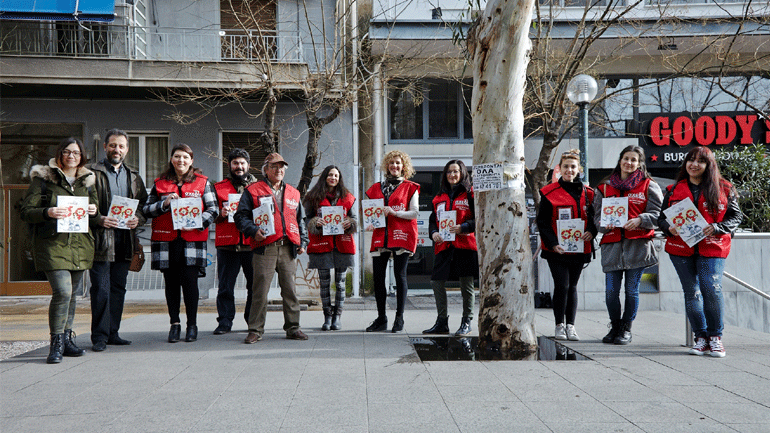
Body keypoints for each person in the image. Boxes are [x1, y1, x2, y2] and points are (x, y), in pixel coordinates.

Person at [19, 138, 98, 364]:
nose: (71, 156)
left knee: (72, 295)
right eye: (67, 152)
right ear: (60, 154)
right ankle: (56, 343)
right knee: (62, 292)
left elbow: (95, 215)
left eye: (76, 153)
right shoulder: (43, 179)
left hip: (80, 245)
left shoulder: (87, 182)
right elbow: (26, 211)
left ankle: (67, 339)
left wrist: (94, 210)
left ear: (82, 156)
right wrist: (48, 212)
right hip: (52, 244)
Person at [658, 146, 742, 358]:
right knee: (692, 292)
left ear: (709, 165)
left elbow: (736, 217)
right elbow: (661, 219)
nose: (694, 165)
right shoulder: (673, 190)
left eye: (700, 161)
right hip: (680, 248)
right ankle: (701, 337)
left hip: (712, 246)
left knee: (711, 289)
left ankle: (715, 337)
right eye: (691, 160)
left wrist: (717, 227)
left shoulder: (725, 188)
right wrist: (669, 228)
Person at [142, 144, 218, 343]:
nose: (181, 160)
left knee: (190, 283)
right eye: (177, 156)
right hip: (166, 240)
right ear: (171, 159)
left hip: (192, 241)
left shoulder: (203, 182)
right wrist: (164, 203)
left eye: (185, 157)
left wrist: (196, 222)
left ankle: (192, 325)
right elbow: (146, 210)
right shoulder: (160, 183)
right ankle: (174, 324)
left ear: (191, 161)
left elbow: (213, 210)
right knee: (171, 284)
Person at [234, 153, 309, 343]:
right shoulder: (253, 190)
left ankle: (293, 327)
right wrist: (253, 230)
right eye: (274, 167)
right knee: (260, 291)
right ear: (265, 170)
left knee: (290, 290)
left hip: (288, 248)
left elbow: (300, 220)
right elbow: (240, 217)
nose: (279, 170)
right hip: (264, 247)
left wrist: (302, 241)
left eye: (281, 167)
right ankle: (255, 329)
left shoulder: (293, 192)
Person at [593, 146, 662, 345]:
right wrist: (604, 224)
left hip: (638, 246)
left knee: (631, 291)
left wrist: (641, 220)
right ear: (620, 160)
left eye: (633, 160)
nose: (629, 163)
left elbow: (659, 215)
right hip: (612, 247)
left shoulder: (649, 185)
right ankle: (615, 326)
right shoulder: (604, 187)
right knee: (611, 292)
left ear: (639, 164)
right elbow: (596, 218)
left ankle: (626, 329)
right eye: (626, 158)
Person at [87, 129, 148, 352]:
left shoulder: (134, 176)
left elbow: (143, 205)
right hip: (100, 242)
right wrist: (98, 219)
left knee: (118, 289)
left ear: (127, 149)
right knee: (100, 290)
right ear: (105, 147)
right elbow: (82, 204)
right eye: (113, 145)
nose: (117, 150)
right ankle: (99, 336)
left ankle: (113, 333)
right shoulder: (91, 173)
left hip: (124, 241)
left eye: (121, 146)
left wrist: (137, 219)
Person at [536, 149, 597, 341]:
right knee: (561, 285)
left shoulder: (589, 193)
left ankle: (571, 325)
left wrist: (592, 231)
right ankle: (559, 325)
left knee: (572, 286)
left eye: (573, 167)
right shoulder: (549, 192)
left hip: (579, 248)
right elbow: (542, 222)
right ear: (559, 169)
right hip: (556, 250)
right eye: (566, 167)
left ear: (579, 169)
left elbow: (595, 218)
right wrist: (553, 243)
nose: (569, 170)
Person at [365, 150, 420, 333]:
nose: (394, 166)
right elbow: (371, 213)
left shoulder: (411, 187)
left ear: (404, 166)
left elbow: (415, 212)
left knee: (400, 276)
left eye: (398, 163)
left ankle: (399, 318)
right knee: (378, 279)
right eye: (391, 163)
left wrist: (395, 213)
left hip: (401, 235)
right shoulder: (376, 188)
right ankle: (381, 318)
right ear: (386, 165)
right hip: (380, 236)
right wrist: (370, 223)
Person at [423, 160, 478, 336]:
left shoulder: (471, 193)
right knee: (436, 281)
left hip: (465, 245)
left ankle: (466, 321)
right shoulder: (439, 197)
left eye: (455, 171)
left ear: (462, 173)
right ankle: (441, 322)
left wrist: (464, 227)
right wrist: (433, 233)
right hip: (444, 245)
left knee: (466, 284)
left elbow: (480, 218)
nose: (452, 175)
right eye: (448, 172)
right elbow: (433, 221)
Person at [304, 165, 357, 331]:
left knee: (340, 283)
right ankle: (327, 316)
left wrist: (350, 223)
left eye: (336, 175)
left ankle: (337, 317)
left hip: (342, 244)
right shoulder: (313, 197)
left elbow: (355, 219)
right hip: (322, 244)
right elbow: (306, 219)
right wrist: (315, 222)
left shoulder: (348, 197)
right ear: (324, 177)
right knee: (325, 283)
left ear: (339, 178)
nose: (333, 178)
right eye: (330, 175)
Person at [212, 148, 258, 335]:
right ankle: (224, 322)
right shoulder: (218, 187)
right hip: (227, 244)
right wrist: (220, 214)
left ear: (248, 165)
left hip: (252, 244)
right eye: (235, 163)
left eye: (242, 163)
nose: (239, 166)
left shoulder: (259, 188)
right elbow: (208, 213)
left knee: (254, 286)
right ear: (229, 165)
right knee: (225, 287)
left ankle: (252, 321)